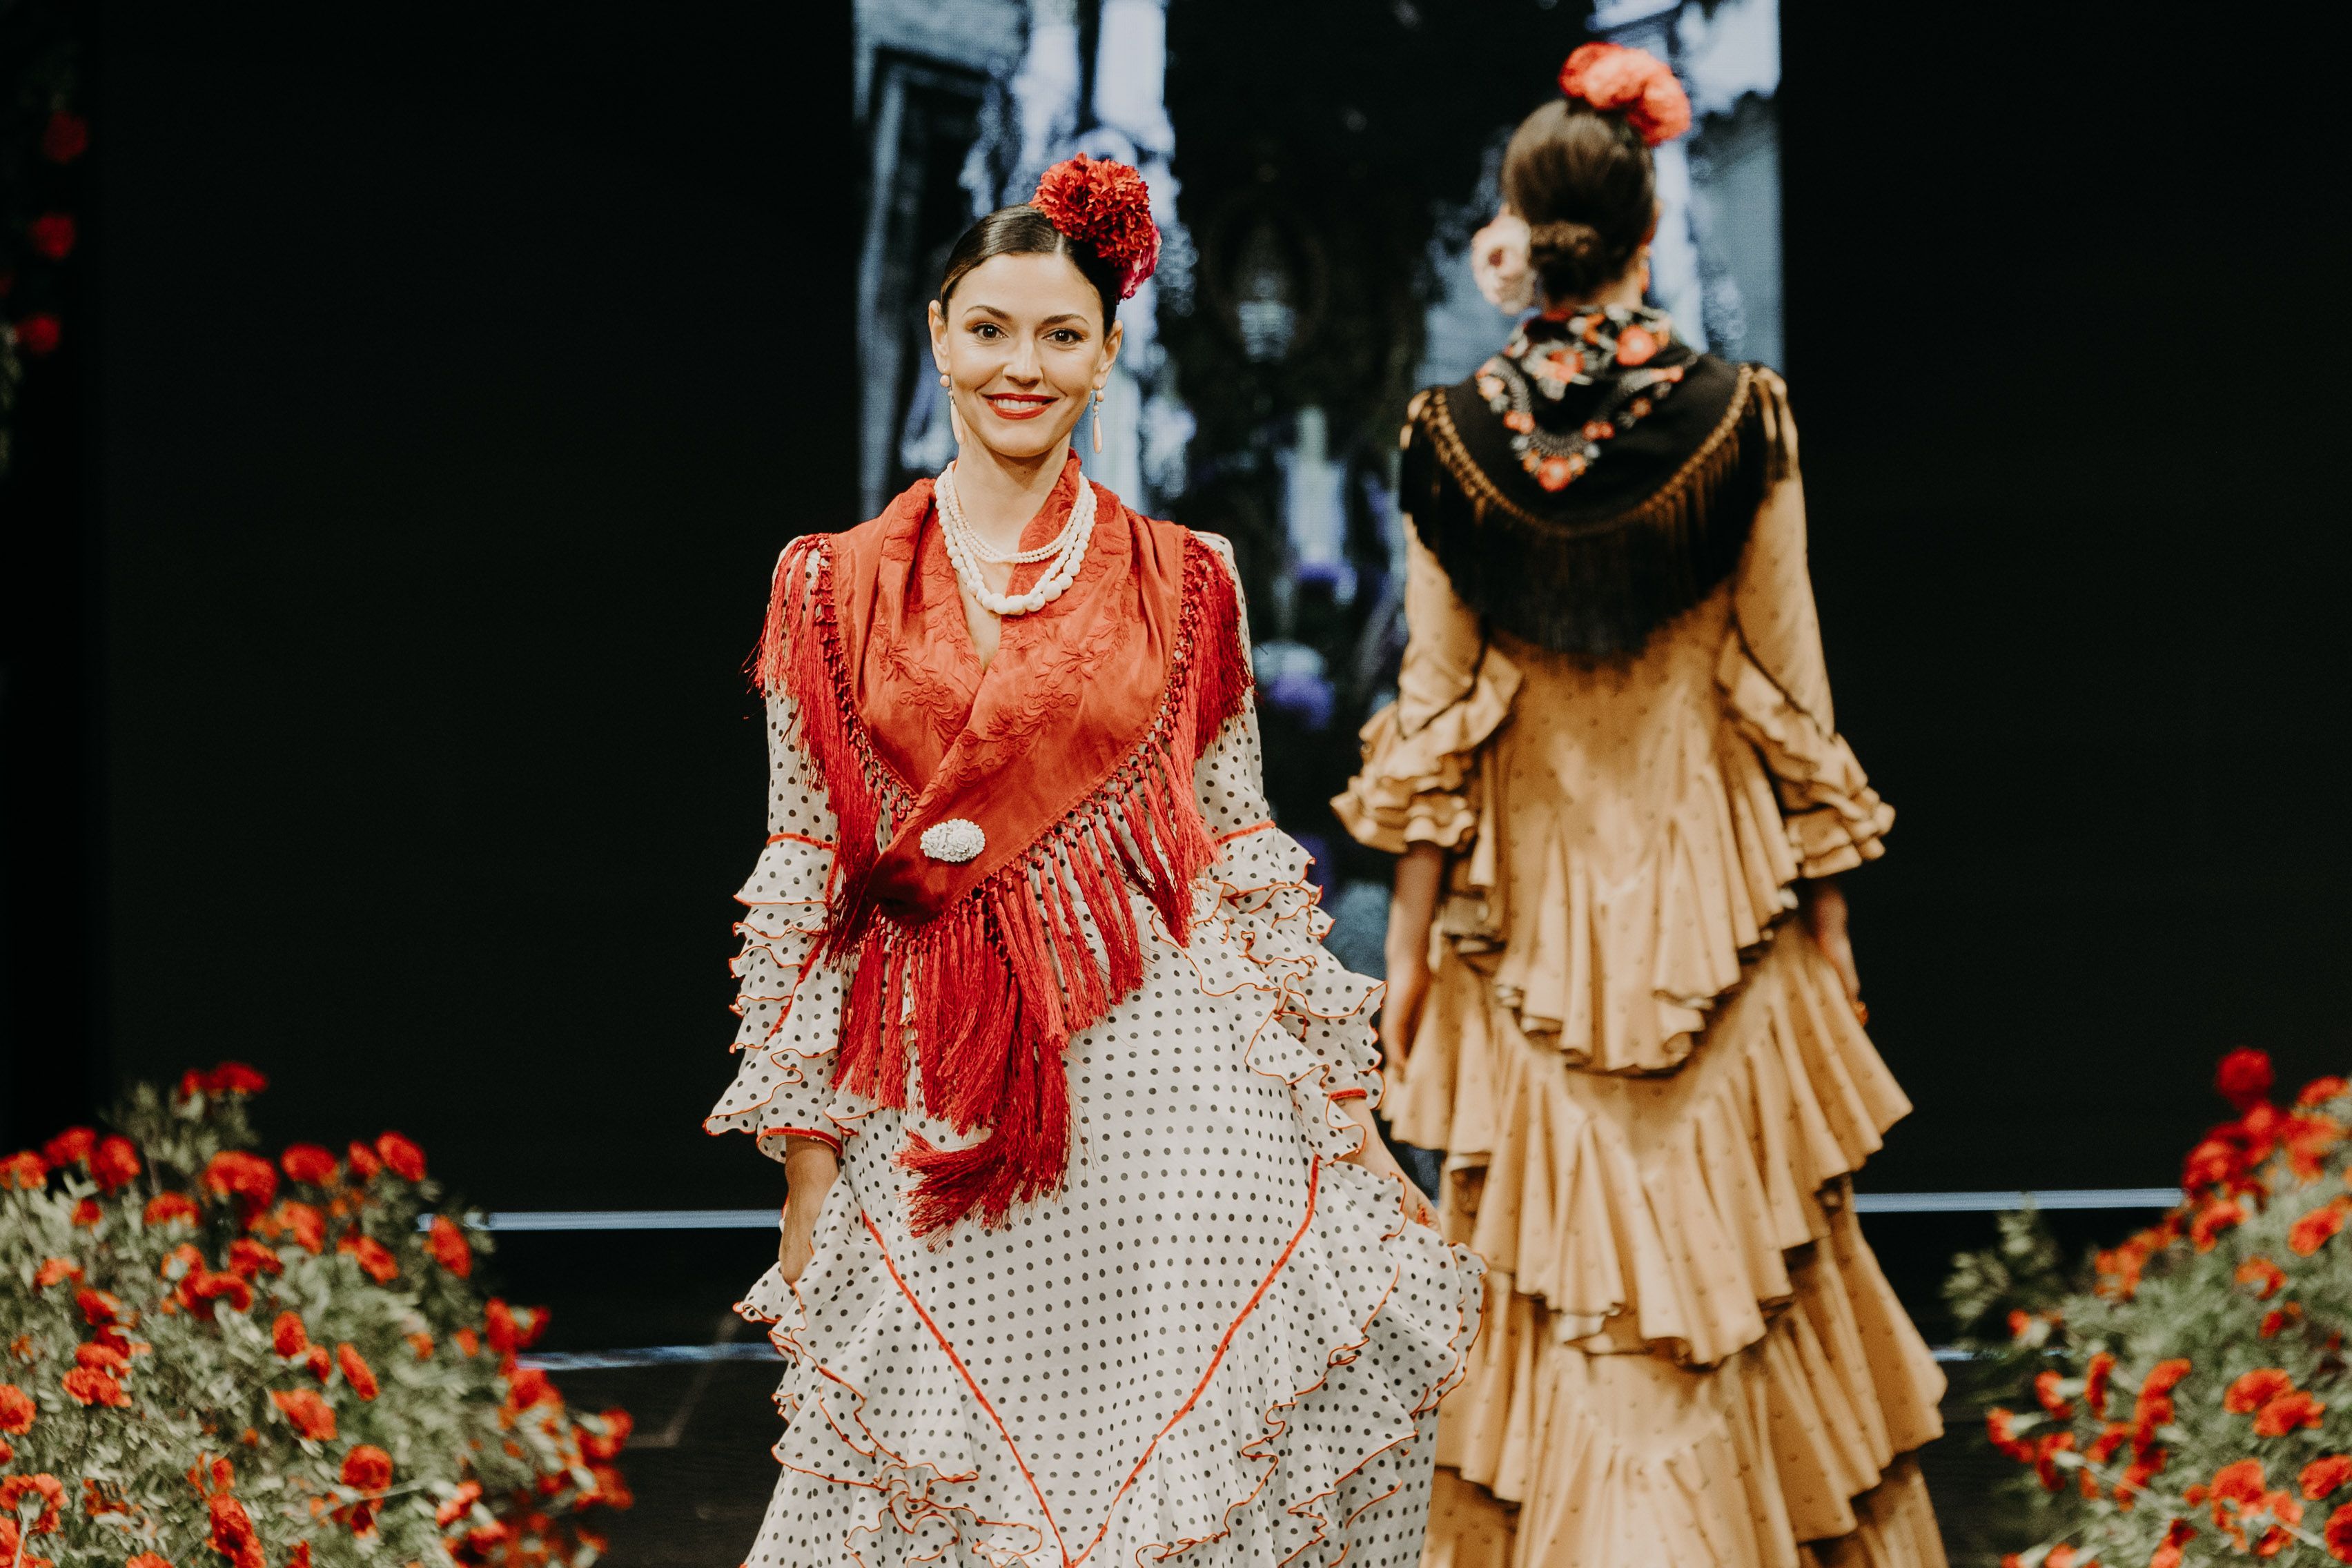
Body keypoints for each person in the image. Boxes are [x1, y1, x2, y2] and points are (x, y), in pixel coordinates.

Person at [706, 153, 1484, 1568]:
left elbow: (1240, 850)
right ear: (939, 334)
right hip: (931, 1088)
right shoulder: (827, 580)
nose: (1024, 363)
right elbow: (809, 865)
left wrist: (1353, 1120)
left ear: (1110, 353)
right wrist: (805, 1162)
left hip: (1165, 1073)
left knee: (1157, 1492)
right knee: (936, 1482)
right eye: (991, 328)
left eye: (1062, 333)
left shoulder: (1189, 576)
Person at [1333, 44, 1946, 1568]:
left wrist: (1406, 945)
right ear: (1649, 225)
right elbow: (1788, 676)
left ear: (1520, 230)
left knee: (1549, 1263)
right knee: (1731, 1257)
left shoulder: (1452, 432)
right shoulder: (1745, 414)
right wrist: (1831, 907)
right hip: (1713, 876)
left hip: (1529, 894)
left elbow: (1437, 701)